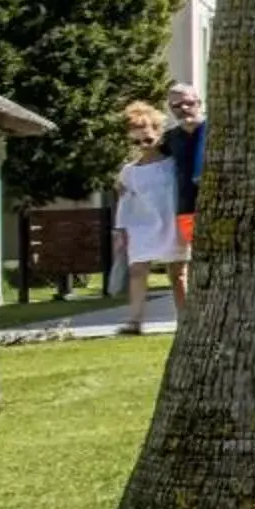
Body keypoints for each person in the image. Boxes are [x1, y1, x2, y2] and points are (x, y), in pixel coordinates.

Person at [114, 102, 182, 335]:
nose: (142, 146)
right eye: (136, 142)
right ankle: (135, 320)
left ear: (158, 134)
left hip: (171, 221)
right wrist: (120, 230)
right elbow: (125, 202)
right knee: (137, 271)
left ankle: (185, 318)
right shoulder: (129, 171)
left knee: (178, 273)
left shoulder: (172, 164)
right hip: (142, 225)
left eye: (147, 140)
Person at [157, 83, 206, 307]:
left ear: (199, 103)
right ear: (171, 108)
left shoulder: (215, 130)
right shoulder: (170, 138)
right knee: (181, 268)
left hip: (218, 207)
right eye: (177, 104)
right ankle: (186, 318)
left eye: (189, 102)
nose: (184, 108)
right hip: (186, 209)